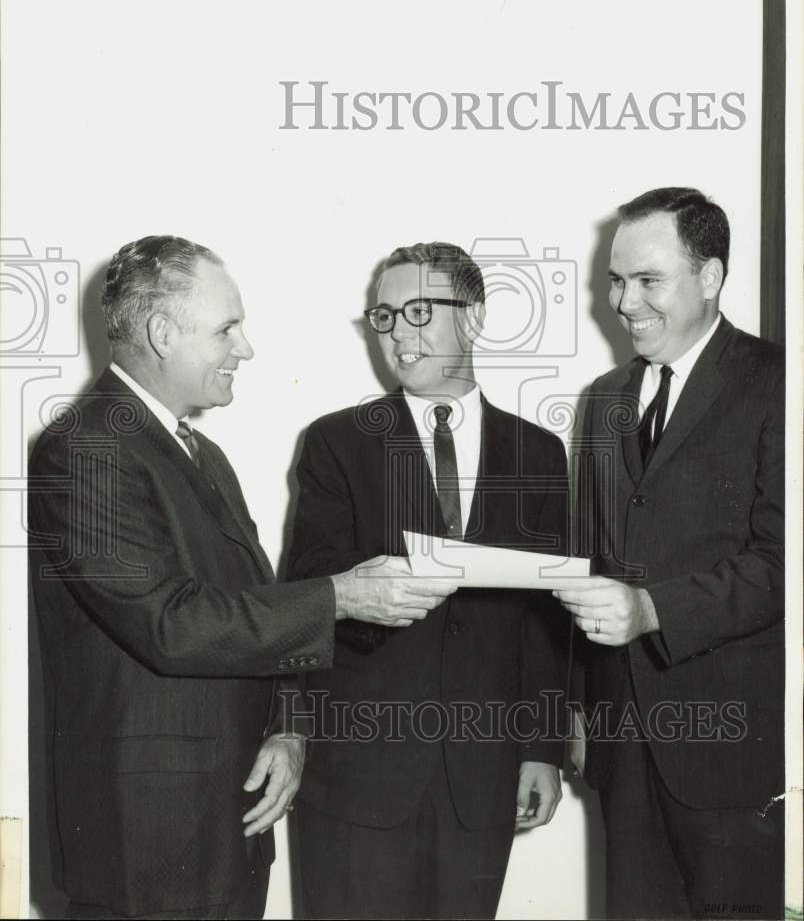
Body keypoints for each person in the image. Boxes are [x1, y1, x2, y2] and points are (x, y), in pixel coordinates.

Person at [27, 235, 457, 920]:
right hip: (149, 842)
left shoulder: (201, 454)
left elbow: (253, 605)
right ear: (163, 334)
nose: (246, 348)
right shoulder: (86, 449)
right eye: (227, 327)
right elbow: (172, 623)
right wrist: (340, 596)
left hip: (228, 824)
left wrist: (288, 729)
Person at [286, 241, 570, 919]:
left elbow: (548, 616)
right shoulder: (336, 443)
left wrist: (542, 748)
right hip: (359, 775)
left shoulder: (539, 451)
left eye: (419, 311)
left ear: (472, 317)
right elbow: (304, 599)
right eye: (383, 317)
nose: (398, 336)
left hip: (483, 774)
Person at [557, 188, 784, 919]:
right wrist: (576, 710)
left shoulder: (782, 384)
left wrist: (651, 609)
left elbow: (787, 564)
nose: (625, 302)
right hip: (623, 754)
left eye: (647, 280)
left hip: (737, 755)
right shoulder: (601, 399)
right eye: (617, 281)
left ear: (711, 277)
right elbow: (585, 561)